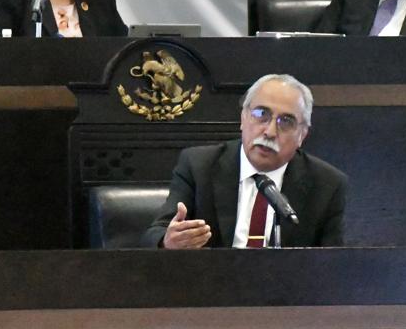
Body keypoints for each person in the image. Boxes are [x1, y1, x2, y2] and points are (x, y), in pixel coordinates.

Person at [142, 74, 347, 249]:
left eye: (286, 121)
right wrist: (168, 241)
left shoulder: (327, 184)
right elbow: (153, 235)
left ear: (302, 135)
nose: (270, 132)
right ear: (243, 118)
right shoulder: (199, 166)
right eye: (261, 114)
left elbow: (333, 264)